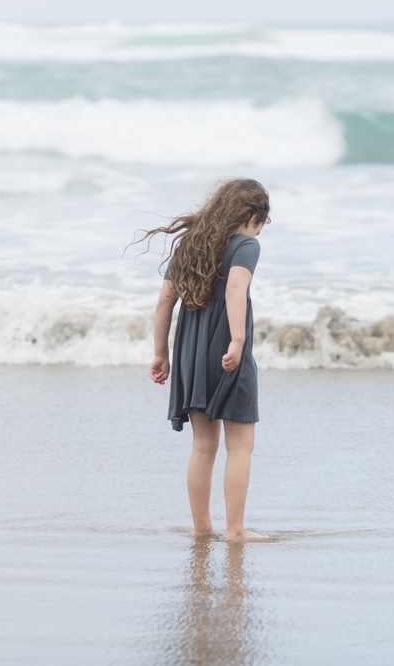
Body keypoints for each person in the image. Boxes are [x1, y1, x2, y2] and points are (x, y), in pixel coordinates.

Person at [137, 178, 274, 542]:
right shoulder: (246, 245)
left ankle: (201, 527)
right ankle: (235, 530)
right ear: (254, 216)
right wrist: (238, 340)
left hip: (190, 353)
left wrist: (161, 354)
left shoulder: (191, 244)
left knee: (203, 445)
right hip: (226, 349)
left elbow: (165, 301)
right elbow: (235, 289)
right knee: (241, 444)